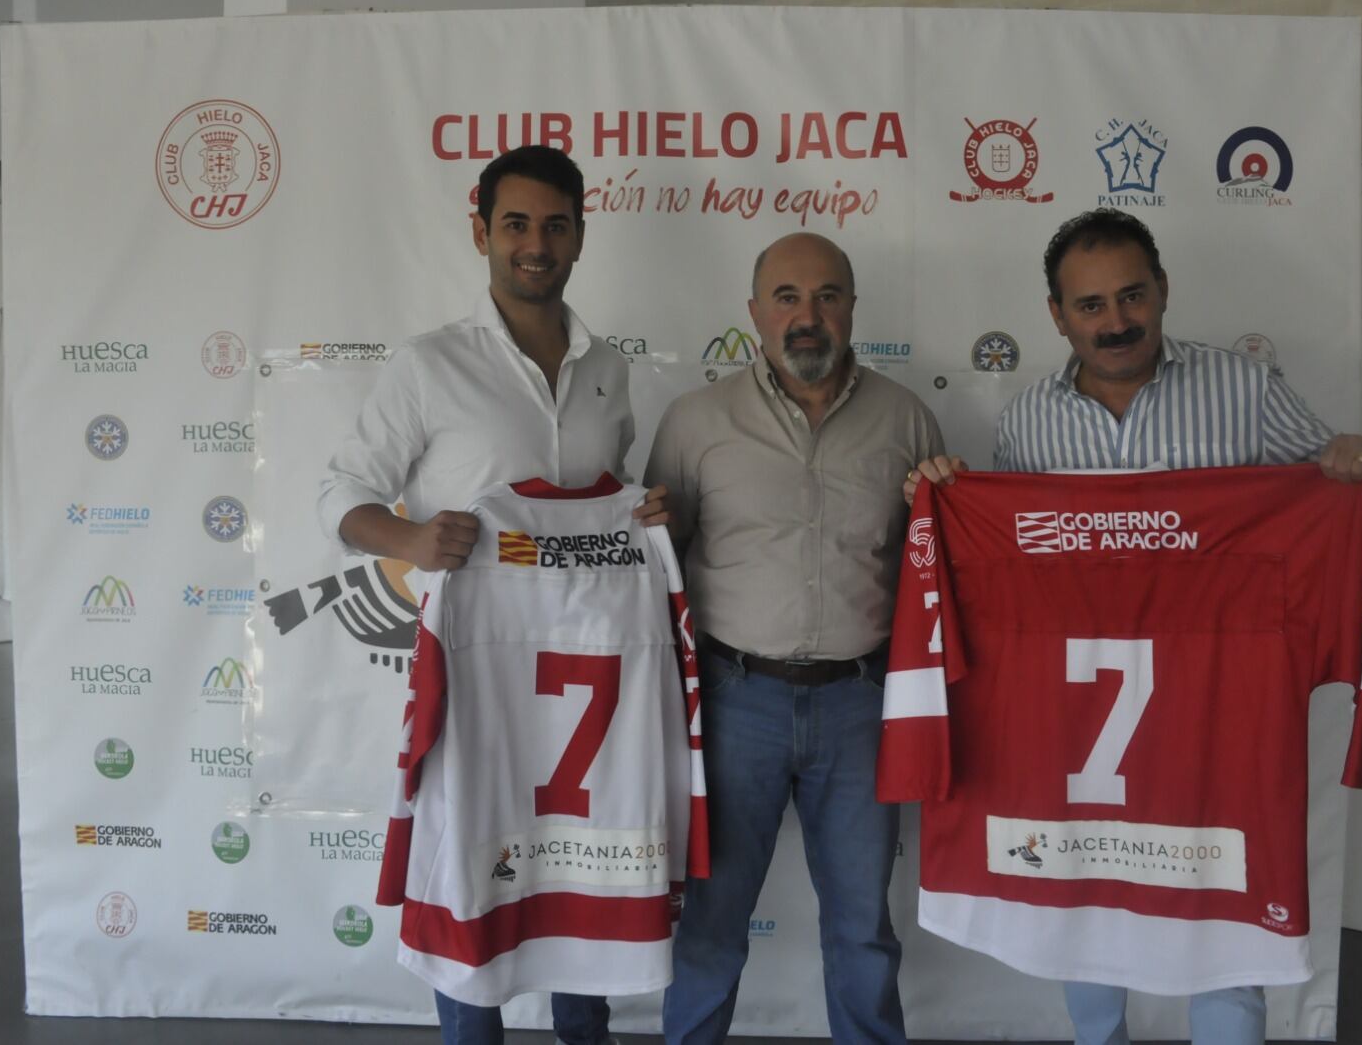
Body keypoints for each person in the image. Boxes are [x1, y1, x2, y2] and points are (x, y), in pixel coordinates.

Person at [905, 207, 1362, 1045]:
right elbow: (1010, 581)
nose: (1116, 322)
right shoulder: (1028, 421)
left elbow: (1345, 494)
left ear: (1164, 291)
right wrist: (943, 500)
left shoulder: (1243, 389)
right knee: (1084, 899)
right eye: (1092, 305)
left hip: (1215, 711)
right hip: (1079, 717)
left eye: (1132, 297)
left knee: (1226, 907)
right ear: (1057, 315)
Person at [319, 144, 662, 1045]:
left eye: (555, 226)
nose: (535, 245)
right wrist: (411, 540)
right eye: (516, 224)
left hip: (590, 679)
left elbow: (608, 496)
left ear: (582, 236)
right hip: (474, 677)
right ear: (482, 231)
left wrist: (643, 516)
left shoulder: (609, 368)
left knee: (580, 869)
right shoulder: (428, 364)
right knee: (471, 875)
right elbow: (338, 494)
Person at [646, 232, 944, 1044]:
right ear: (752, 314)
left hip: (859, 707)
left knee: (862, 930)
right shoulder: (695, 420)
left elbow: (936, 565)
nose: (806, 317)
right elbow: (653, 564)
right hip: (734, 702)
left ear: (852, 308)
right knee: (712, 922)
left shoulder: (906, 418)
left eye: (826, 296)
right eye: (786, 297)